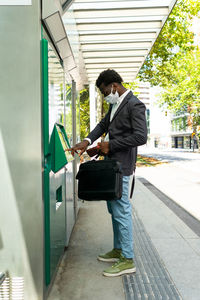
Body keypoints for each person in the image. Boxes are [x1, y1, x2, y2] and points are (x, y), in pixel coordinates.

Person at [69, 69, 147, 277]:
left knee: (121, 211)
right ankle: (119, 249)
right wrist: (87, 142)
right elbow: (103, 125)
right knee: (114, 211)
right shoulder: (116, 104)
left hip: (122, 167)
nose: (105, 96)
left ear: (114, 85)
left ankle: (128, 259)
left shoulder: (134, 104)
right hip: (112, 166)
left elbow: (141, 137)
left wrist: (110, 145)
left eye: (105, 92)